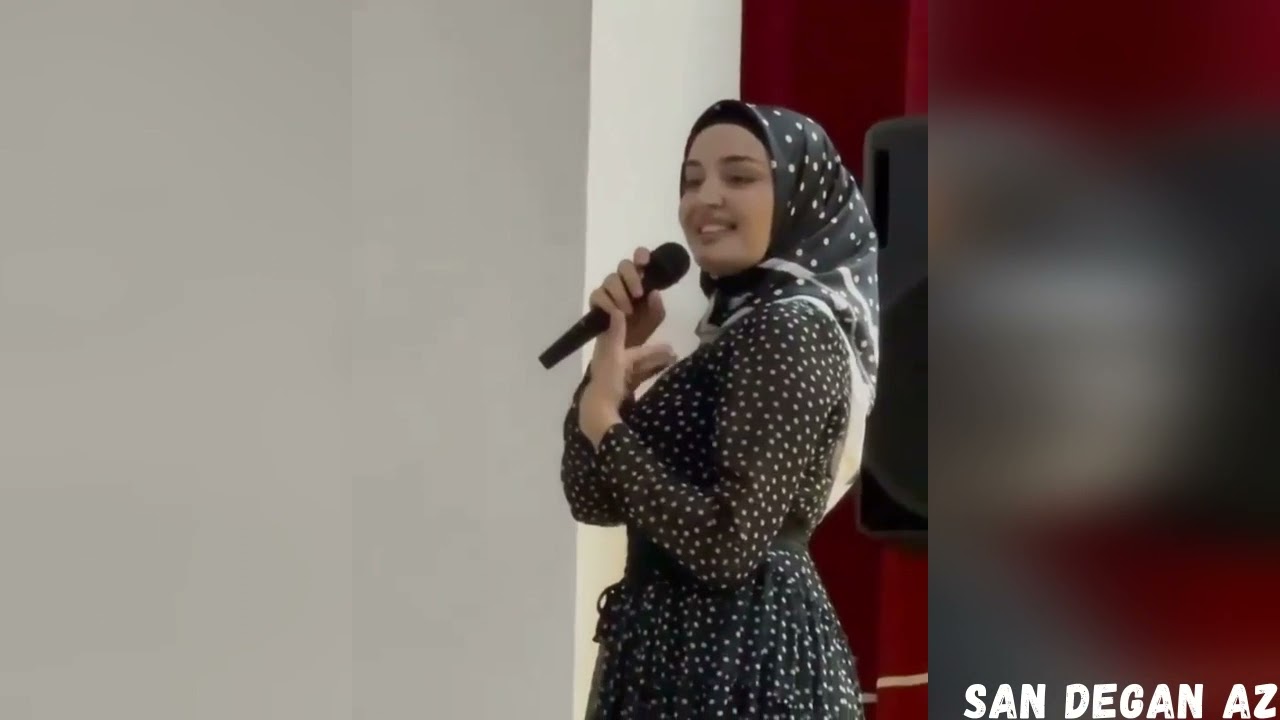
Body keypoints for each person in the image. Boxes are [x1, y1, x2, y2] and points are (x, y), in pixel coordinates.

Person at [560, 99, 880, 718]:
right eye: (691, 180)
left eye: (739, 176)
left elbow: (727, 545)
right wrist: (607, 378)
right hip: (678, 647)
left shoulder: (789, 330)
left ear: (797, 197)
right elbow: (592, 498)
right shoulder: (739, 331)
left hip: (743, 661)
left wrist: (606, 425)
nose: (705, 198)